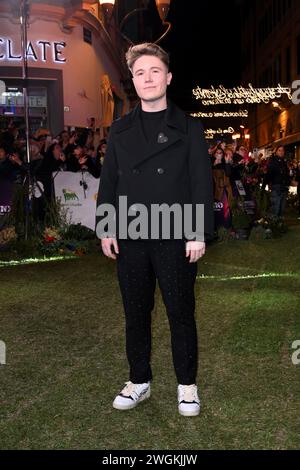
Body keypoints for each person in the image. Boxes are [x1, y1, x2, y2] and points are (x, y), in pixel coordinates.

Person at [96, 43, 213, 417]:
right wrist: (106, 227)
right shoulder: (119, 130)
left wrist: (197, 232)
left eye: (155, 71)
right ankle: (139, 381)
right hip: (130, 235)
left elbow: (200, 182)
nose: (148, 78)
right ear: (134, 81)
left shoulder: (189, 128)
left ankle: (187, 387)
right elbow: (109, 181)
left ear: (168, 77)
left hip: (175, 234)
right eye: (140, 73)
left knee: (181, 313)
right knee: (135, 313)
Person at [264, 145, 290, 219]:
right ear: (276, 152)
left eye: (283, 150)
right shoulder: (272, 161)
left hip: (284, 187)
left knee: (282, 207)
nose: (281, 152)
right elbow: (268, 174)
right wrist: (265, 185)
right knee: (276, 207)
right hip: (276, 186)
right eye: (279, 150)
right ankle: (273, 225)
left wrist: (288, 182)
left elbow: (286, 174)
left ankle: (279, 225)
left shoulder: (284, 161)